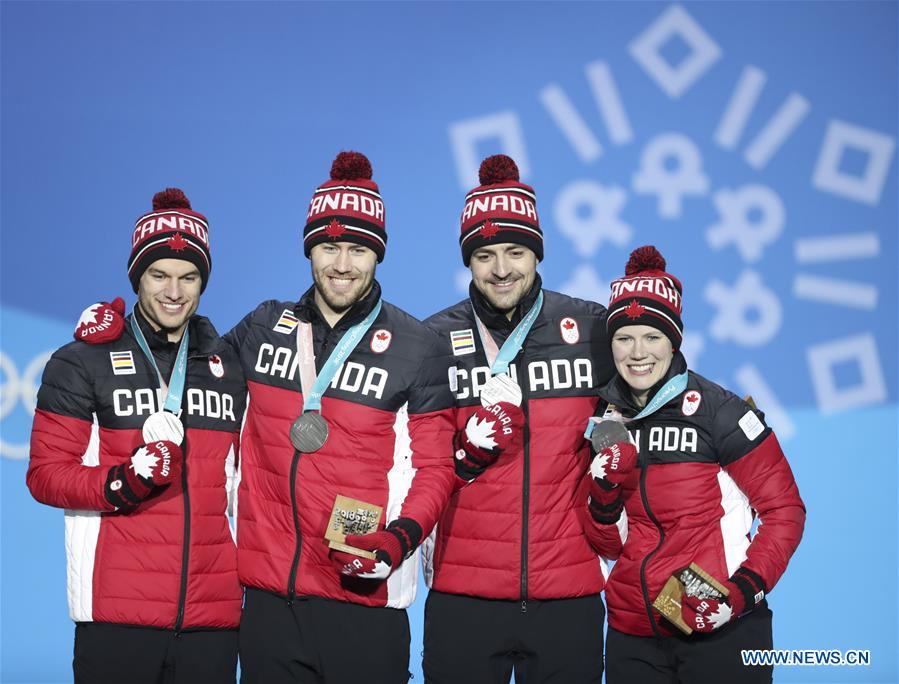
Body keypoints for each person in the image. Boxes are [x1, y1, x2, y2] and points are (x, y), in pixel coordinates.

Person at [70, 153, 458, 683]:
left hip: (364, 597)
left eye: (358, 249)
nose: (342, 264)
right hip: (269, 605)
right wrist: (119, 331)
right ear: (309, 250)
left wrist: (399, 539)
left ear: (378, 254)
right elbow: (187, 355)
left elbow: (435, 468)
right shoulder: (262, 328)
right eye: (329, 247)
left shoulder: (418, 345)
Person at [27, 189, 246, 684]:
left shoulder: (228, 367)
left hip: (212, 620)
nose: (174, 291)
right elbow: (45, 475)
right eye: (159, 275)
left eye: (189, 277)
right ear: (137, 277)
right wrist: (121, 482)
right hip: (117, 617)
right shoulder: (82, 362)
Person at [422, 154, 616, 683]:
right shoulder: (432, 340)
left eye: (516, 252)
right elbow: (410, 460)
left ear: (537, 253)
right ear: (468, 261)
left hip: (568, 594)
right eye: (485, 255)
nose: (502, 269)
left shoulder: (592, 330)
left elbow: (652, 386)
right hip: (463, 594)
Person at [584, 245, 806, 684]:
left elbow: (785, 512)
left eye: (652, 337)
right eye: (624, 338)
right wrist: (604, 495)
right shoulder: (604, 421)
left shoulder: (720, 412)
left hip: (721, 631)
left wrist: (739, 595)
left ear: (673, 341)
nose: (637, 352)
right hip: (633, 634)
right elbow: (609, 546)